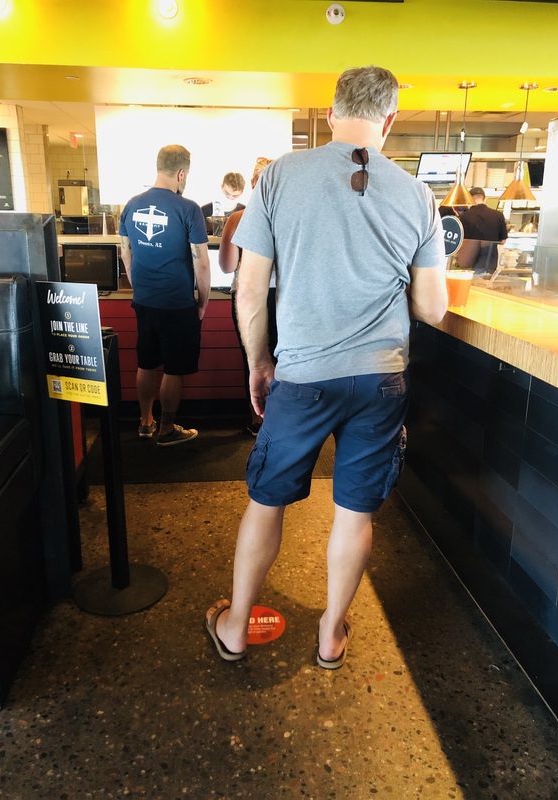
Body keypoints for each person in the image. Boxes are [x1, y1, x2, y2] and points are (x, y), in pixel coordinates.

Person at [205, 66, 448, 668]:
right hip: (381, 379)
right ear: (389, 121)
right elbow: (433, 308)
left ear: (333, 112)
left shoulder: (281, 177)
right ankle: (330, 636)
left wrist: (259, 362)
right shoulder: (416, 193)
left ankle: (236, 627)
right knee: (355, 509)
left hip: (303, 377)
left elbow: (250, 287)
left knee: (267, 500)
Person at [119, 144, 210, 446]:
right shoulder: (188, 209)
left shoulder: (131, 205)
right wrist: (203, 300)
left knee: (146, 363)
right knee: (173, 368)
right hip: (177, 303)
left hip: (144, 302)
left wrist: (139, 286)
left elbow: (125, 253)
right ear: (182, 172)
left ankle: (145, 421)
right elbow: (202, 260)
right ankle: (167, 430)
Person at [218, 157, 276, 436]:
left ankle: (257, 420)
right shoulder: (289, 217)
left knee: (252, 359)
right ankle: (283, 420)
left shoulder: (237, 219)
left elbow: (227, 266)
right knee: (283, 359)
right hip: (282, 297)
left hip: (245, 298)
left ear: (252, 184)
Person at [457, 187, 508, 273]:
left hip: (468, 262)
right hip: (490, 262)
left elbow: (458, 242)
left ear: (469, 199)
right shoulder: (498, 215)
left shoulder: (464, 216)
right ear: (484, 199)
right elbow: (503, 241)